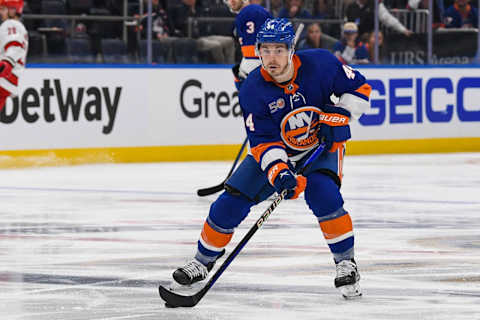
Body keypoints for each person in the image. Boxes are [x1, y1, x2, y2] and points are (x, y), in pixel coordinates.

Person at [171, 18, 371, 299]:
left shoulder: (322, 64)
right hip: (277, 152)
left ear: (291, 50)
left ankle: (346, 263)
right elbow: (264, 141)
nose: (271, 58)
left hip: (320, 147)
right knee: (230, 202)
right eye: (265, 50)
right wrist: (280, 172)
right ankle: (201, 262)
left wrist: (341, 115)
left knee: (323, 195)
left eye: (279, 50)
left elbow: (360, 88)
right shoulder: (252, 88)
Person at [224, 0, 271, 90]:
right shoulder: (242, 16)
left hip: (256, 63)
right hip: (257, 62)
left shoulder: (250, 12)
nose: (232, 1)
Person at [169, 0, 235, 64]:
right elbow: (179, 25)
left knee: (229, 40)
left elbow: (205, 22)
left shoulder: (199, 7)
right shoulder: (179, 10)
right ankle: (222, 67)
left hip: (205, 35)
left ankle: (230, 64)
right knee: (216, 45)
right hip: (193, 39)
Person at [0, 0, 27, 112]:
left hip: (3, 78)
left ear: (13, 10)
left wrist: (7, 62)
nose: (0, 12)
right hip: (8, 82)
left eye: (3, 9)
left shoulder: (11, 24)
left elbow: (14, 46)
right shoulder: (21, 27)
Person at [345, 0, 413, 39]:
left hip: (372, 34)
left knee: (375, 38)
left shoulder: (376, 4)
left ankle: (374, 63)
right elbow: (346, 24)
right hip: (354, 36)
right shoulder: (351, 7)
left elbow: (387, 18)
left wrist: (403, 30)